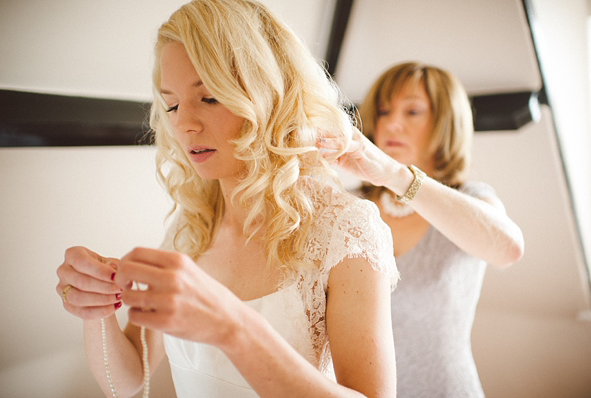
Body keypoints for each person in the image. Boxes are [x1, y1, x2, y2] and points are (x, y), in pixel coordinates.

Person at [55, 1, 399, 397]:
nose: (183, 123)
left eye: (210, 97)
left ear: (268, 95)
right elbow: (130, 378)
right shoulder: (192, 226)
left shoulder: (345, 227)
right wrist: (94, 309)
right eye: (171, 103)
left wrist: (233, 328)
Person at [320, 62, 524, 397]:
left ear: (446, 122)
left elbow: (509, 249)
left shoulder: (468, 200)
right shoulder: (348, 205)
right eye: (383, 111)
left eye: (412, 111)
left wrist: (397, 176)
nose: (392, 124)